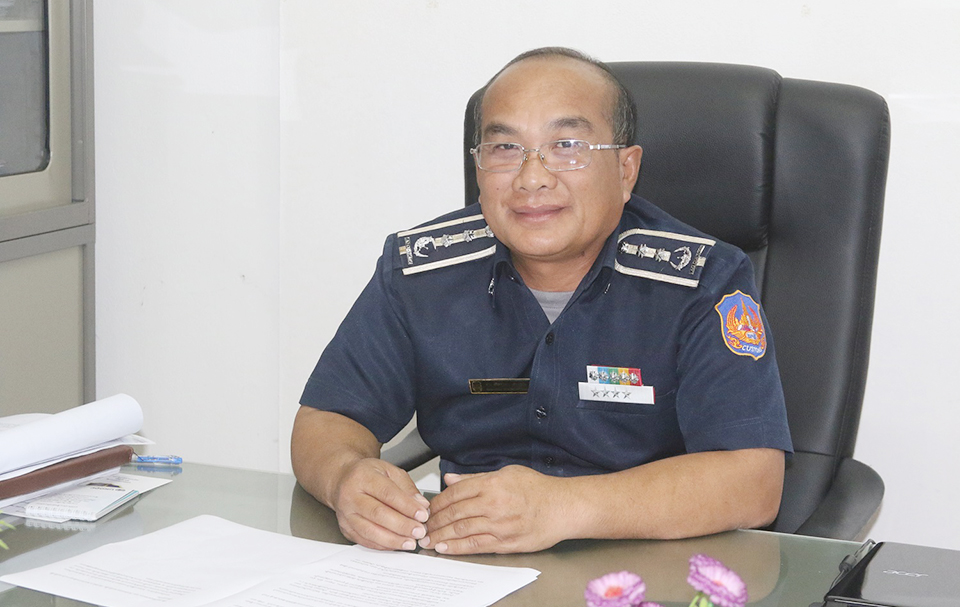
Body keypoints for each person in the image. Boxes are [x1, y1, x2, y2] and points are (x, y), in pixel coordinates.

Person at [291, 47, 792, 555]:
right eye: (505, 148)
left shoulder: (702, 280)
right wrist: (345, 478)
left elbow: (753, 480)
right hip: (464, 563)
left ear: (626, 170)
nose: (532, 177)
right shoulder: (421, 269)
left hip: (643, 563)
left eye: (567, 146)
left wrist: (562, 507)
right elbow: (327, 418)